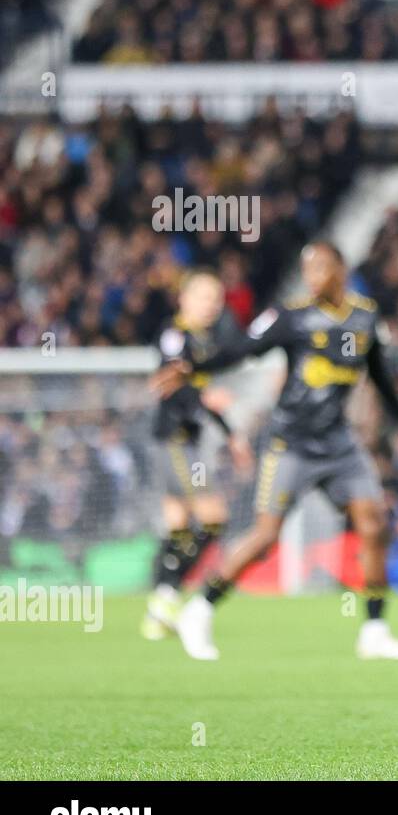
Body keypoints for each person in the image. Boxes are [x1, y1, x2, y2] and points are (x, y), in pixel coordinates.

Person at [152, 242, 398, 661]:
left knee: (374, 526)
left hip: (340, 443)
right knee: (266, 536)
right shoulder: (292, 317)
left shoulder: (365, 318)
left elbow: (379, 378)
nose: (313, 277)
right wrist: (194, 367)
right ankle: (200, 607)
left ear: (340, 269)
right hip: (291, 442)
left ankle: (374, 631)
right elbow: (244, 350)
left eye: (321, 268)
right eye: (307, 270)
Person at [142, 269, 253, 640]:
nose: (213, 306)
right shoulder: (175, 336)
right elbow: (168, 384)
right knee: (213, 517)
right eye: (205, 297)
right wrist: (205, 399)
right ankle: (166, 594)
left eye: (217, 300)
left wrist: (232, 435)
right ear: (184, 298)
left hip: (183, 440)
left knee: (178, 525)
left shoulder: (204, 342)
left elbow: (204, 399)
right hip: (172, 439)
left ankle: (158, 610)